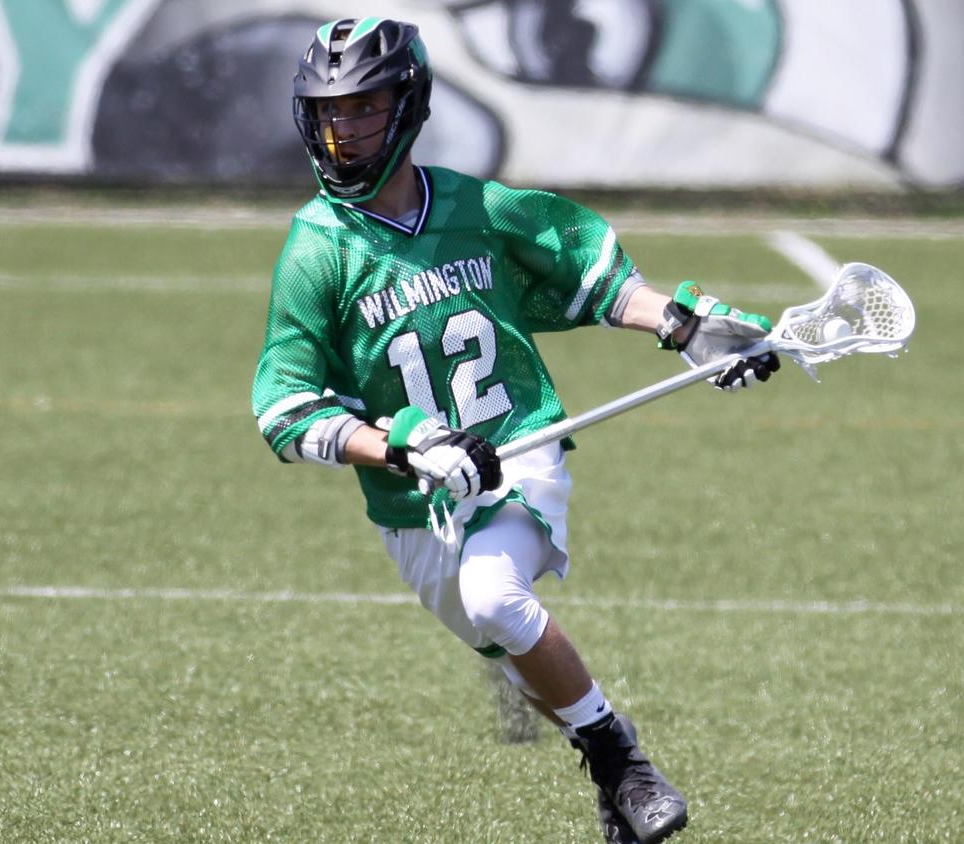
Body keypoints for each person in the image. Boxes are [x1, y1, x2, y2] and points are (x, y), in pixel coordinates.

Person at [252, 18, 780, 844]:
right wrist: (401, 445)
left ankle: (621, 763)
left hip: (517, 449)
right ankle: (605, 781)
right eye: (329, 112)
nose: (342, 130)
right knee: (506, 643)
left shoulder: (477, 207)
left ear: (407, 107)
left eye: (363, 108)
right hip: (412, 506)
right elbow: (283, 410)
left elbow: (592, 275)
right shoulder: (317, 251)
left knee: (495, 598)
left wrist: (683, 327)